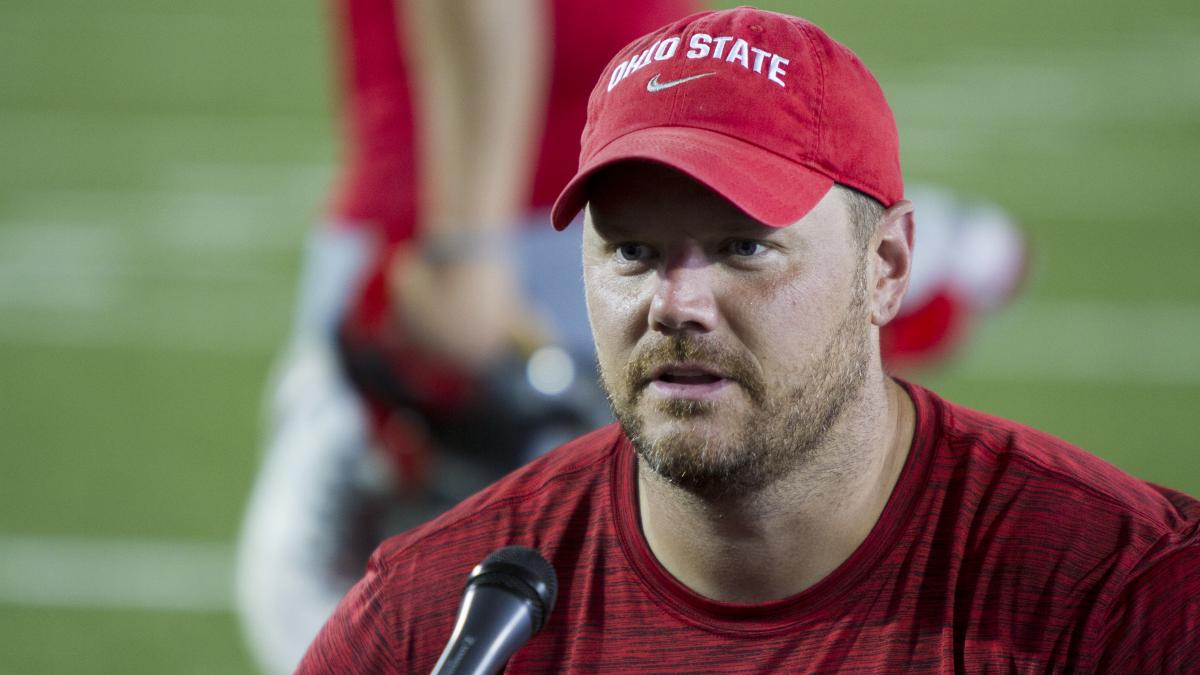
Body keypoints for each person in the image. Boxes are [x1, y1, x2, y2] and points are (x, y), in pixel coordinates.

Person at [297, 7, 1200, 673]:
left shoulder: (1120, 597)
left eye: (743, 247)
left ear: (888, 266)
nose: (677, 303)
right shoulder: (437, 618)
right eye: (633, 251)